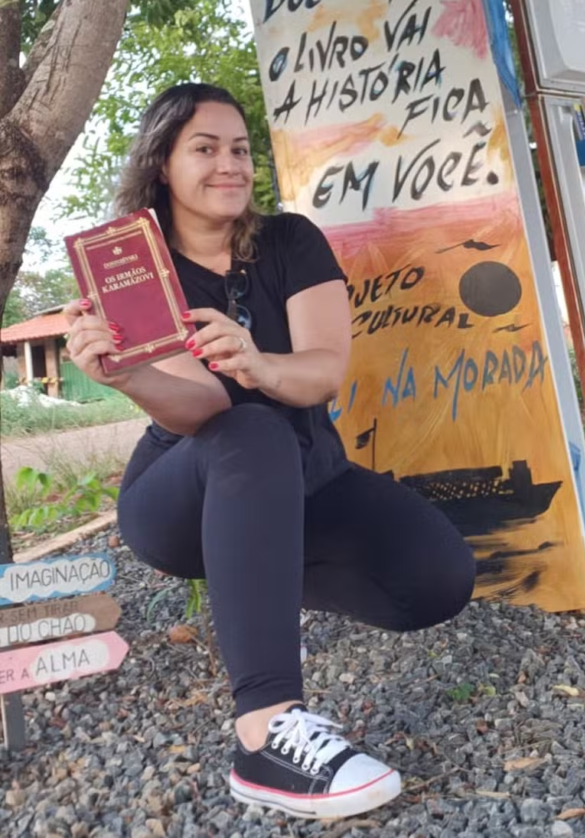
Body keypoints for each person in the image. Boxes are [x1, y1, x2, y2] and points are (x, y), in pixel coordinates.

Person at [64, 83, 477, 821]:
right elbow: (204, 408)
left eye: (238, 148)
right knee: (249, 429)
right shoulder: (138, 264)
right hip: (181, 491)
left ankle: (255, 570)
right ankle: (264, 737)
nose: (228, 164)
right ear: (162, 162)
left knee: (436, 579)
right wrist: (128, 372)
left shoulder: (290, 241)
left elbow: (323, 367)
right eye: (204, 148)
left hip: (308, 471)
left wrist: (259, 363)